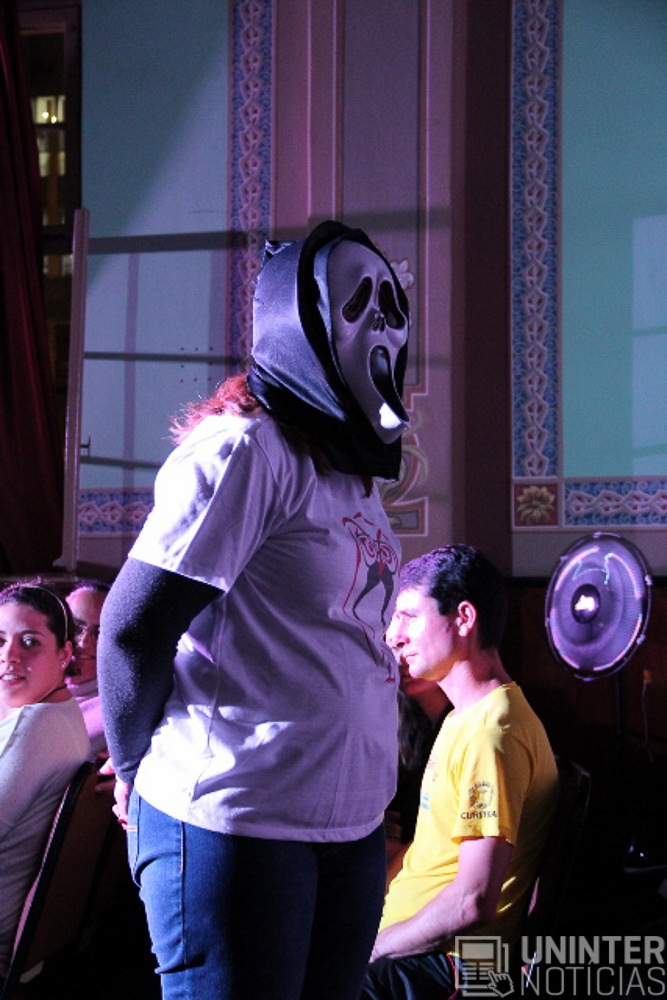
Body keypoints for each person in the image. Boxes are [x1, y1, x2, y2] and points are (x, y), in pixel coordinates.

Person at [97, 220, 411, 1000]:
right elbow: (133, 629)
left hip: (349, 828)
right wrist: (132, 772)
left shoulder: (347, 475)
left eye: (391, 305)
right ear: (300, 320)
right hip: (236, 824)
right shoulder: (245, 450)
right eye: (359, 302)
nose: (382, 324)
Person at [362, 545, 559, 1000]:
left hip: (452, 962)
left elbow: (473, 902)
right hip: (413, 948)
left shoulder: (493, 734)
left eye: (409, 617)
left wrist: (371, 950)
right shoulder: (462, 718)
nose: (394, 636)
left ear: (464, 618)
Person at [0, 582, 91, 985]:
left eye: (30, 642)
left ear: (64, 654)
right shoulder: (60, 710)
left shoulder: (32, 728)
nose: (9, 656)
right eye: (0, 640)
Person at [65, 580, 110, 756]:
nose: (84, 642)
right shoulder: (25, 680)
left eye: (99, 633)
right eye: (76, 628)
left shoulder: (115, 708)